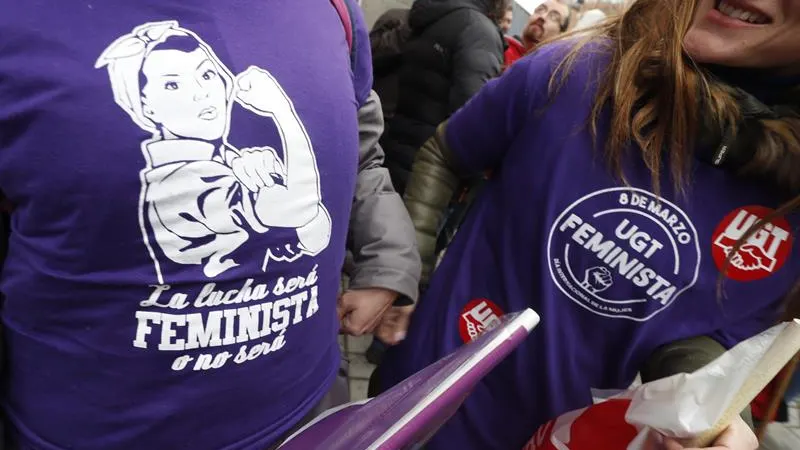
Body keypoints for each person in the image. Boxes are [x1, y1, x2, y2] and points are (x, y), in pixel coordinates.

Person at [375, 0, 800, 448]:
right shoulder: (576, 68)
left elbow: (706, 343)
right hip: (411, 404)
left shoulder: (789, 207)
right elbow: (448, 151)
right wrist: (407, 274)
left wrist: (714, 423)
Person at [0, 2, 419, 449]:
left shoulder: (334, 10)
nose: (202, 94)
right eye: (173, 84)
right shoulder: (179, 180)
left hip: (313, 414)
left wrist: (389, 260)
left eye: (205, 75)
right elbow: (293, 212)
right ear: (144, 106)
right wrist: (281, 113)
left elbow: (355, 169)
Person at [381, 0, 509, 196]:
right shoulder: (479, 32)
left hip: (394, 150)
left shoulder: (437, 16)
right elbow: (472, 121)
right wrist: (473, 180)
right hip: (428, 176)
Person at [369, 8, 411, 122]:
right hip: (378, 113)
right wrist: (402, 33)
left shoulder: (439, 34)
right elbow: (368, 56)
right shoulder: (395, 18)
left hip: (406, 120)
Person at [505, 0, 572, 67]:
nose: (543, 16)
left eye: (553, 17)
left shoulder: (545, 73)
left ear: (560, 35)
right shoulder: (502, 45)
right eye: (540, 10)